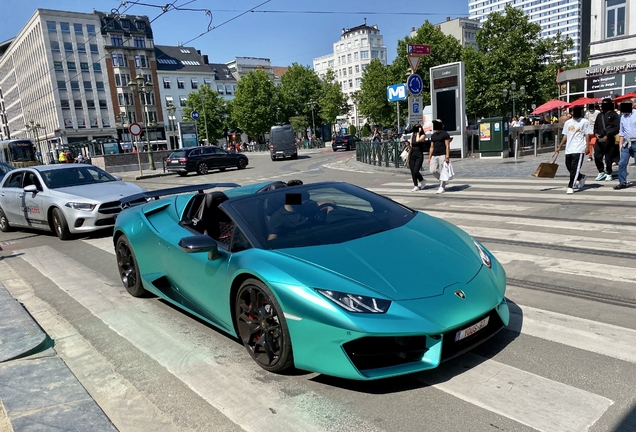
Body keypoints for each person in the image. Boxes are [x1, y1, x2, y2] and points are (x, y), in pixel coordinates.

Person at [556, 105, 590, 194]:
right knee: (569, 166)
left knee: (575, 168)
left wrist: (587, 146)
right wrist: (559, 146)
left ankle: (571, 186)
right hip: (569, 148)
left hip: (579, 148)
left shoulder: (584, 122)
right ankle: (581, 177)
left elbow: (587, 134)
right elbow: (565, 135)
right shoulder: (568, 123)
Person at [593, 98, 620, 181]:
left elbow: (617, 128)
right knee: (597, 155)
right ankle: (601, 171)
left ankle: (609, 173)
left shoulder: (614, 114)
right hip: (599, 139)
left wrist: (607, 135)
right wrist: (596, 133)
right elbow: (596, 126)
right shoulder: (599, 115)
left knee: (608, 157)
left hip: (609, 138)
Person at [614, 100, 636, 190]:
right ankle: (622, 182)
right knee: (622, 163)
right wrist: (620, 144)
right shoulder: (623, 117)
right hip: (626, 143)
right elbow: (622, 131)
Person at [428, 119, 451, 194]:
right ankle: (443, 180)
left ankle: (442, 187)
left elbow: (447, 146)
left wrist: (447, 157)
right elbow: (432, 147)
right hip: (434, 155)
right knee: (433, 170)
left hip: (442, 154)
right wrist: (429, 157)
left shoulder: (445, 134)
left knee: (442, 171)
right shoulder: (433, 135)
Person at [408, 124, 427, 192]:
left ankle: (422, 180)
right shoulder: (412, 135)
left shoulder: (423, 135)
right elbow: (411, 144)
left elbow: (418, 140)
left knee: (416, 171)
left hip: (419, 155)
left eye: (419, 127)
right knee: (412, 171)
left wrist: (418, 133)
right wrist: (408, 145)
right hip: (412, 154)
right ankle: (415, 185)